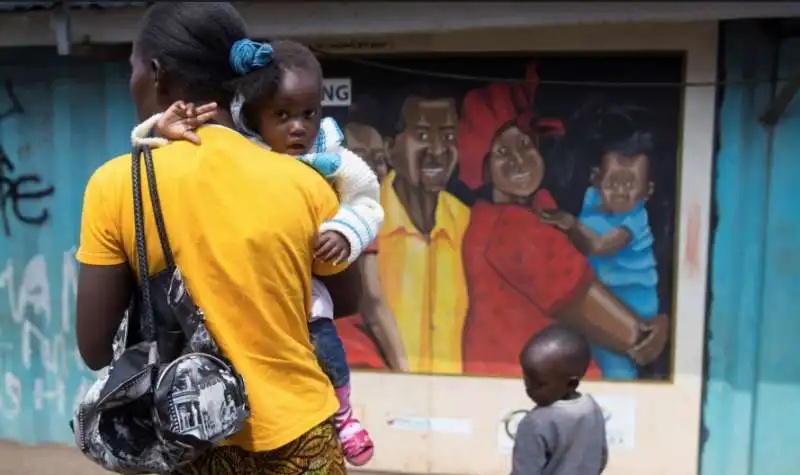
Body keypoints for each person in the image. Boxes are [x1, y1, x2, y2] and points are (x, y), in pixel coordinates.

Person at [75, 3, 361, 474]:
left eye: (133, 69)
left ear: (156, 73)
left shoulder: (117, 185)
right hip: (301, 437)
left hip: (186, 443)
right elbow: (347, 299)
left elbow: (95, 348)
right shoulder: (304, 182)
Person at [129, 39, 381, 465]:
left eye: (309, 114)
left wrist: (346, 231)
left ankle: (345, 414)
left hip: (233, 410)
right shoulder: (261, 163)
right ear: (253, 116)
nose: (299, 127)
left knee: (329, 350)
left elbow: (367, 200)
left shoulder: (331, 161)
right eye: (282, 115)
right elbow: (351, 298)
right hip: (295, 418)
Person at [455, 63, 669, 378]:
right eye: (502, 152)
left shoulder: (534, 209)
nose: (518, 160)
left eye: (524, 144)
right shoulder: (513, 229)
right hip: (534, 392)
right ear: (483, 169)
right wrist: (656, 329)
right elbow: (633, 338)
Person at [539, 131, 659, 380]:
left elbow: (599, 245)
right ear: (596, 179)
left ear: (647, 192)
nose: (620, 191)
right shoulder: (591, 198)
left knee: (615, 366)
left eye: (630, 184)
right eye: (613, 182)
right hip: (596, 298)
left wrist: (570, 224)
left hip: (628, 306)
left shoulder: (635, 217)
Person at [512, 325, 608, 475]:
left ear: (571, 384)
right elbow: (601, 457)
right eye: (526, 379)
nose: (528, 388)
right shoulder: (591, 407)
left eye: (539, 383)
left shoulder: (535, 422)